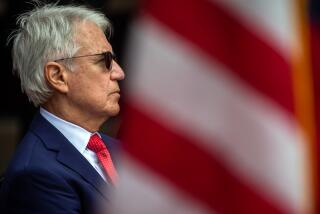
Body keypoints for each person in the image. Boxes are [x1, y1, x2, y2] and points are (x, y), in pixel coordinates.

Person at [0, 2, 125, 214]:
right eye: (104, 60)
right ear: (58, 77)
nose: (119, 73)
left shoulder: (116, 149)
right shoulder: (35, 174)